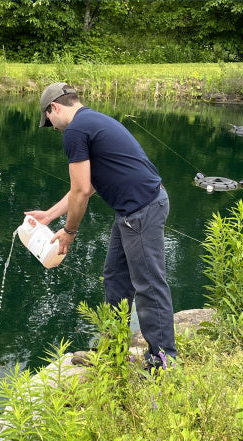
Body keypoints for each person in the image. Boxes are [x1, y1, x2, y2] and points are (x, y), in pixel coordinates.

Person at [25, 82, 176, 370]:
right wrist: (49, 215)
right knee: (115, 279)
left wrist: (68, 233)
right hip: (132, 211)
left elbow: (81, 191)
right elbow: (92, 183)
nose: (53, 127)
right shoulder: (93, 120)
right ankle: (113, 352)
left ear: (54, 108)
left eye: (49, 121)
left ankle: (163, 362)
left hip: (142, 210)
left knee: (148, 285)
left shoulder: (75, 131)